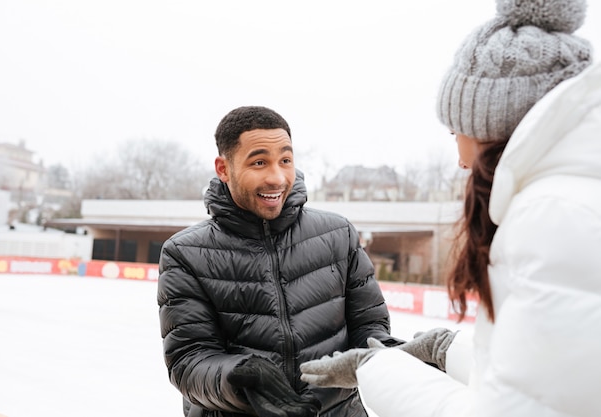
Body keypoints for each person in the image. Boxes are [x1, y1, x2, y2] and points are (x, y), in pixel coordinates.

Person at [300, 0, 601, 416]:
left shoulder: (551, 217)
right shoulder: (574, 202)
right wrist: (447, 350)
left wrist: (378, 368)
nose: (459, 159)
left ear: (494, 129)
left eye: (456, 132)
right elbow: (550, 387)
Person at [157, 105, 406, 417]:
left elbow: (369, 328)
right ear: (223, 168)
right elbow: (188, 361)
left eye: (285, 160)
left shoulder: (338, 235)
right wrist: (240, 378)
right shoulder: (185, 253)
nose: (276, 178)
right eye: (259, 162)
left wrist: (394, 357)